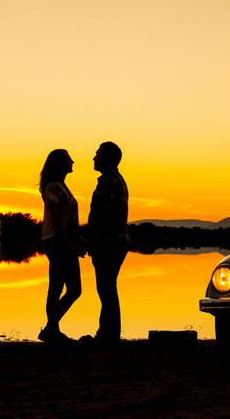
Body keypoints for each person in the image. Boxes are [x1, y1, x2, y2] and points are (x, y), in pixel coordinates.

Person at [38, 148, 85, 343]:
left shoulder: (62, 186)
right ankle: (51, 328)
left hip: (63, 241)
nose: (73, 162)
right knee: (67, 288)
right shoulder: (53, 187)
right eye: (68, 159)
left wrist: (78, 239)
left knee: (63, 287)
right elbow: (58, 221)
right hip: (57, 241)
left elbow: (70, 219)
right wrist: (69, 242)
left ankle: (52, 329)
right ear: (59, 164)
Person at [88, 141, 129, 345]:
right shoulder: (117, 179)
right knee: (108, 288)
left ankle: (108, 334)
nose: (94, 158)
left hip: (108, 242)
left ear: (106, 158)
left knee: (106, 288)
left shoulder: (108, 182)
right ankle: (108, 332)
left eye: (97, 154)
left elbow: (101, 216)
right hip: (116, 241)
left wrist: (92, 241)